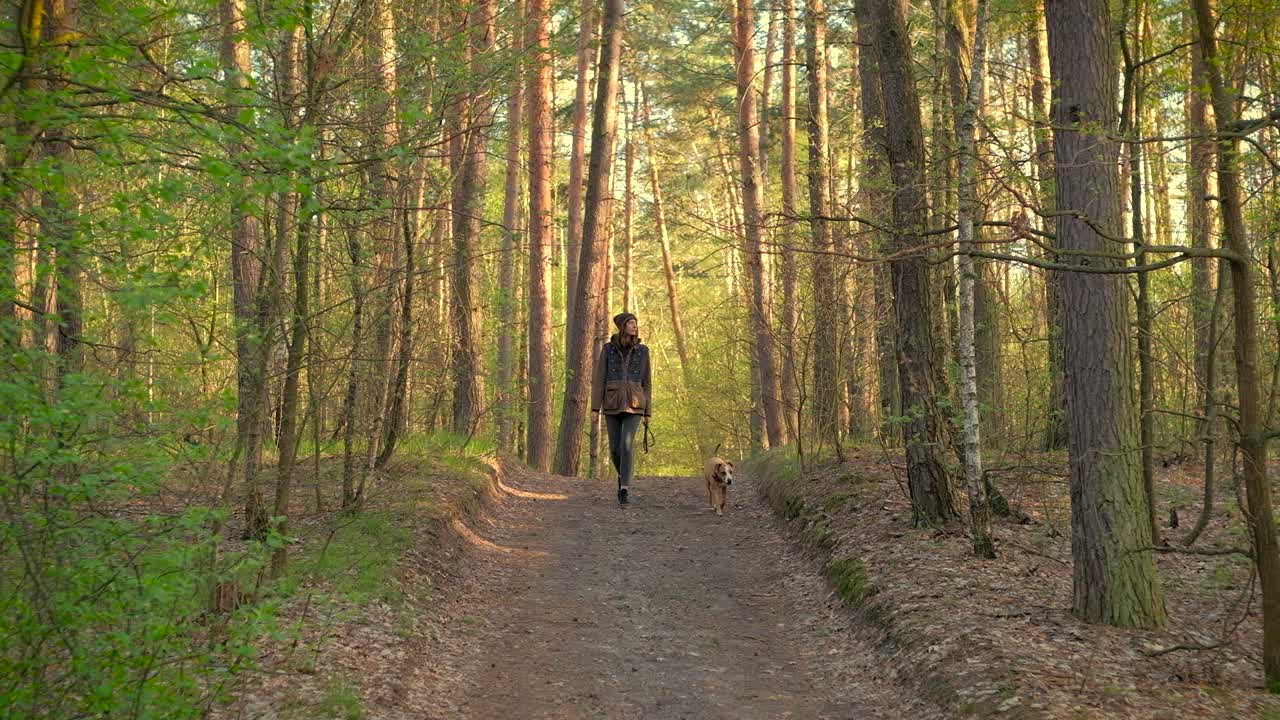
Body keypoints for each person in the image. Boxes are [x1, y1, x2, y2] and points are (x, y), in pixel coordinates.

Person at [591, 312, 652, 505]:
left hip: (635, 406)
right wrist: (595, 408)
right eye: (631, 323)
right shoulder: (608, 350)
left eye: (635, 323)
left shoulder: (643, 351)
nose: (635, 326)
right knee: (615, 450)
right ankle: (622, 475)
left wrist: (648, 411)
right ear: (622, 327)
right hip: (612, 403)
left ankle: (624, 487)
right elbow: (599, 380)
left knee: (626, 444)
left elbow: (647, 383)